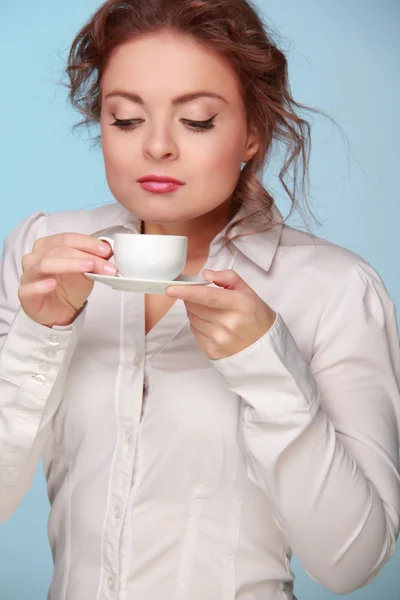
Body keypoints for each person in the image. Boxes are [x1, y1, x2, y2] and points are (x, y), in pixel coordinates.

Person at [0, 0, 399, 598]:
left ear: (253, 135)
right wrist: (40, 335)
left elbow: (354, 563)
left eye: (198, 121)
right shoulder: (44, 253)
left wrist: (267, 364)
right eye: (126, 119)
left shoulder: (334, 289)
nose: (157, 147)